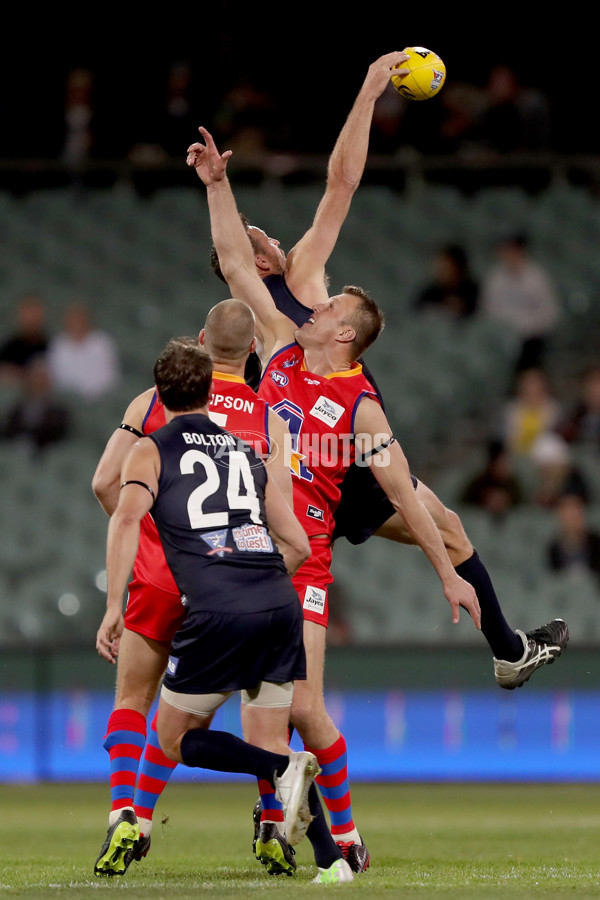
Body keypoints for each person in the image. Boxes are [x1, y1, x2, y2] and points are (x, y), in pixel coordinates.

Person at [189, 50, 569, 864]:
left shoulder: (316, 293)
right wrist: (222, 193)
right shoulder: (286, 319)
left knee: (453, 531)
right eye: (262, 245)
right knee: (283, 691)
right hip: (312, 476)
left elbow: (342, 183)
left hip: (356, 461)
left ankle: (507, 652)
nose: (272, 243)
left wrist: (366, 91)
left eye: (267, 239)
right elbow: (240, 251)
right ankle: (285, 818)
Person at [95, 336, 341, 882]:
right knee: (267, 729)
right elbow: (296, 537)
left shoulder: (146, 423)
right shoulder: (260, 432)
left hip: (180, 582)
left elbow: (109, 494)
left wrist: (121, 595)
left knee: (151, 713)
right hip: (269, 593)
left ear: (163, 390)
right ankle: (292, 836)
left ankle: (126, 817)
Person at [480, 233, 561, 374]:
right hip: (500, 336)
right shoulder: (494, 277)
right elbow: (487, 309)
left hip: (530, 337)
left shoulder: (537, 277)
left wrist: (527, 328)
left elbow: (550, 313)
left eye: (510, 250)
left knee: (528, 356)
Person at [46, 302, 121, 400]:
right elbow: (54, 375)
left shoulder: (101, 342)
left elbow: (109, 377)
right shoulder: (58, 344)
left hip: (98, 399)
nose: (75, 324)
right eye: (71, 320)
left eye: (79, 319)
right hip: (66, 399)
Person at [0, 357, 71, 455]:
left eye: (42, 379)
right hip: (17, 452)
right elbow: (8, 431)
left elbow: (58, 433)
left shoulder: (59, 411)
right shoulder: (17, 408)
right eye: (35, 378)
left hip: (46, 454)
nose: (38, 383)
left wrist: (33, 440)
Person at [413, 243, 479, 320]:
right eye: (441, 266)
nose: (442, 271)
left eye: (447, 266)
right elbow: (417, 310)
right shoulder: (431, 292)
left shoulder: (473, 290)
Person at [546, 489, 600, 582]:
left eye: (576, 512)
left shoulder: (597, 544)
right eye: (567, 513)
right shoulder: (551, 549)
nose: (571, 519)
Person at [0, 292, 49, 383]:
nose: (31, 318)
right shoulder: (9, 347)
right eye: (27, 313)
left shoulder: (53, 345)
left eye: (35, 312)